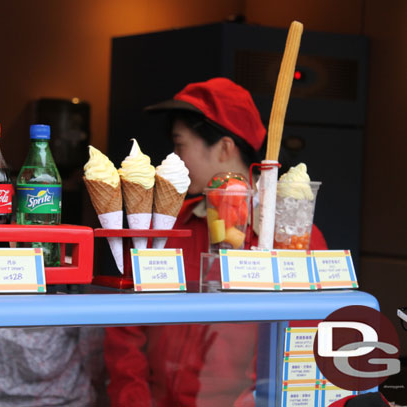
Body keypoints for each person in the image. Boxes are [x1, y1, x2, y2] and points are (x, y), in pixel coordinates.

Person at [104, 78, 328, 406]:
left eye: (180, 146)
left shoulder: (292, 239)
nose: (173, 159)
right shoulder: (168, 225)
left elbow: (304, 345)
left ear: (224, 148)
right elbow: (125, 330)